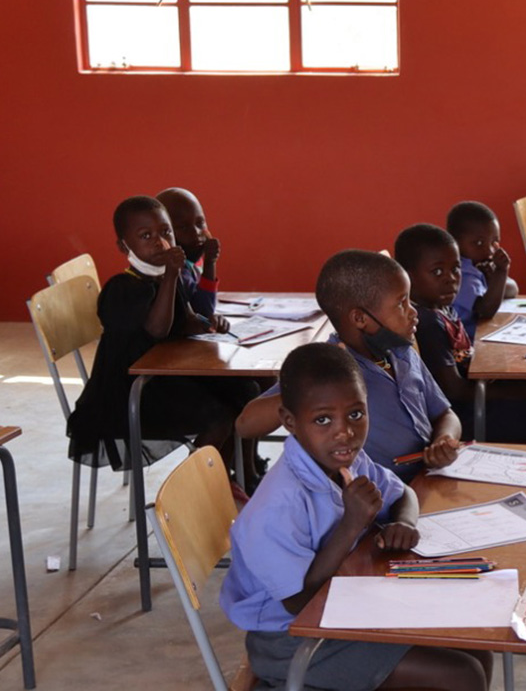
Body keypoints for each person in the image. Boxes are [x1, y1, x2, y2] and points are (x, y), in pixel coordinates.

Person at [220, 343, 494, 691]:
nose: (344, 433)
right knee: (464, 673)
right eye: (323, 420)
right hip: (293, 645)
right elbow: (299, 603)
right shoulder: (276, 507)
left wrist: (403, 522)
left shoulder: (344, 460)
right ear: (289, 420)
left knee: (477, 647)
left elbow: (404, 494)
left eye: (355, 414)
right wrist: (351, 524)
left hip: (343, 613)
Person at [66, 195, 259, 495]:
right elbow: (157, 329)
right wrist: (171, 276)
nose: (159, 242)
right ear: (124, 246)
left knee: (245, 391)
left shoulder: (167, 279)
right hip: (129, 392)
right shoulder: (122, 290)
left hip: (164, 377)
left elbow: (184, 320)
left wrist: (208, 322)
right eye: (146, 236)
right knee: (218, 417)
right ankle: (196, 493)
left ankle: (234, 476)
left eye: (166, 233)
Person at [235, 250, 462, 482]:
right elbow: (246, 425)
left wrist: (443, 439)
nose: (414, 312)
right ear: (360, 319)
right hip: (378, 496)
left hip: (430, 478)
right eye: (401, 304)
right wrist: (308, 391)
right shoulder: (330, 368)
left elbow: (445, 413)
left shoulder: (402, 352)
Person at [394, 223, 526, 448]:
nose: (450, 279)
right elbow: (455, 390)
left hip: (479, 400)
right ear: (407, 277)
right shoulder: (425, 323)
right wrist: (512, 392)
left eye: (455, 269)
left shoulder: (441, 307)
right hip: (464, 417)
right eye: (437, 271)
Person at [447, 201, 519, 340]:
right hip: (466, 348)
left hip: (481, 336)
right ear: (455, 242)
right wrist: (501, 272)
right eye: (478, 243)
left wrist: (494, 278)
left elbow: (512, 290)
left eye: (494, 242)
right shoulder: (461, 273)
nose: (489, 251)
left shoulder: (477, 266)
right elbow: (486, 310)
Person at [156, 187, 220, 320]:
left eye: (200, 223)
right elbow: (203, 310)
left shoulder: (190, 260)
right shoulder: (174, 269)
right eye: (183, 227)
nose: (196, 233)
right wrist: (210, 263)